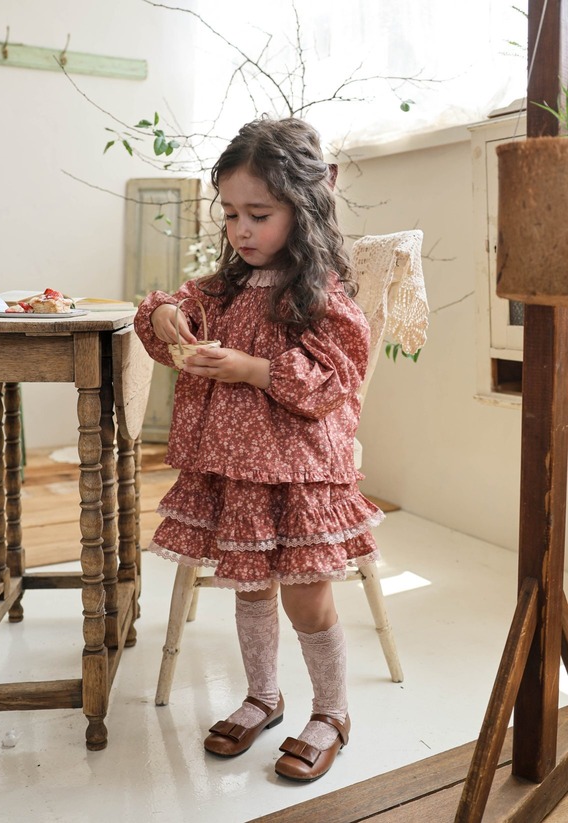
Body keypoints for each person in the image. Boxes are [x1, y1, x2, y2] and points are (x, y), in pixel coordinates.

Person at [134, 115, 384, 782]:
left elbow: (335, 379)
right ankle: (263, 695)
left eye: (259, 215)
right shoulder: (224, 288)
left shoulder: (319, 293)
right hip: (238, 470)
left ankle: (331, 712)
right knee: (250, 590)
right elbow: (163, 311)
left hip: (298, 470)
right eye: (230, 214)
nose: (241, 230)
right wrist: (168, 316)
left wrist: (252, 369)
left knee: (306, 597)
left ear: (301, 210)